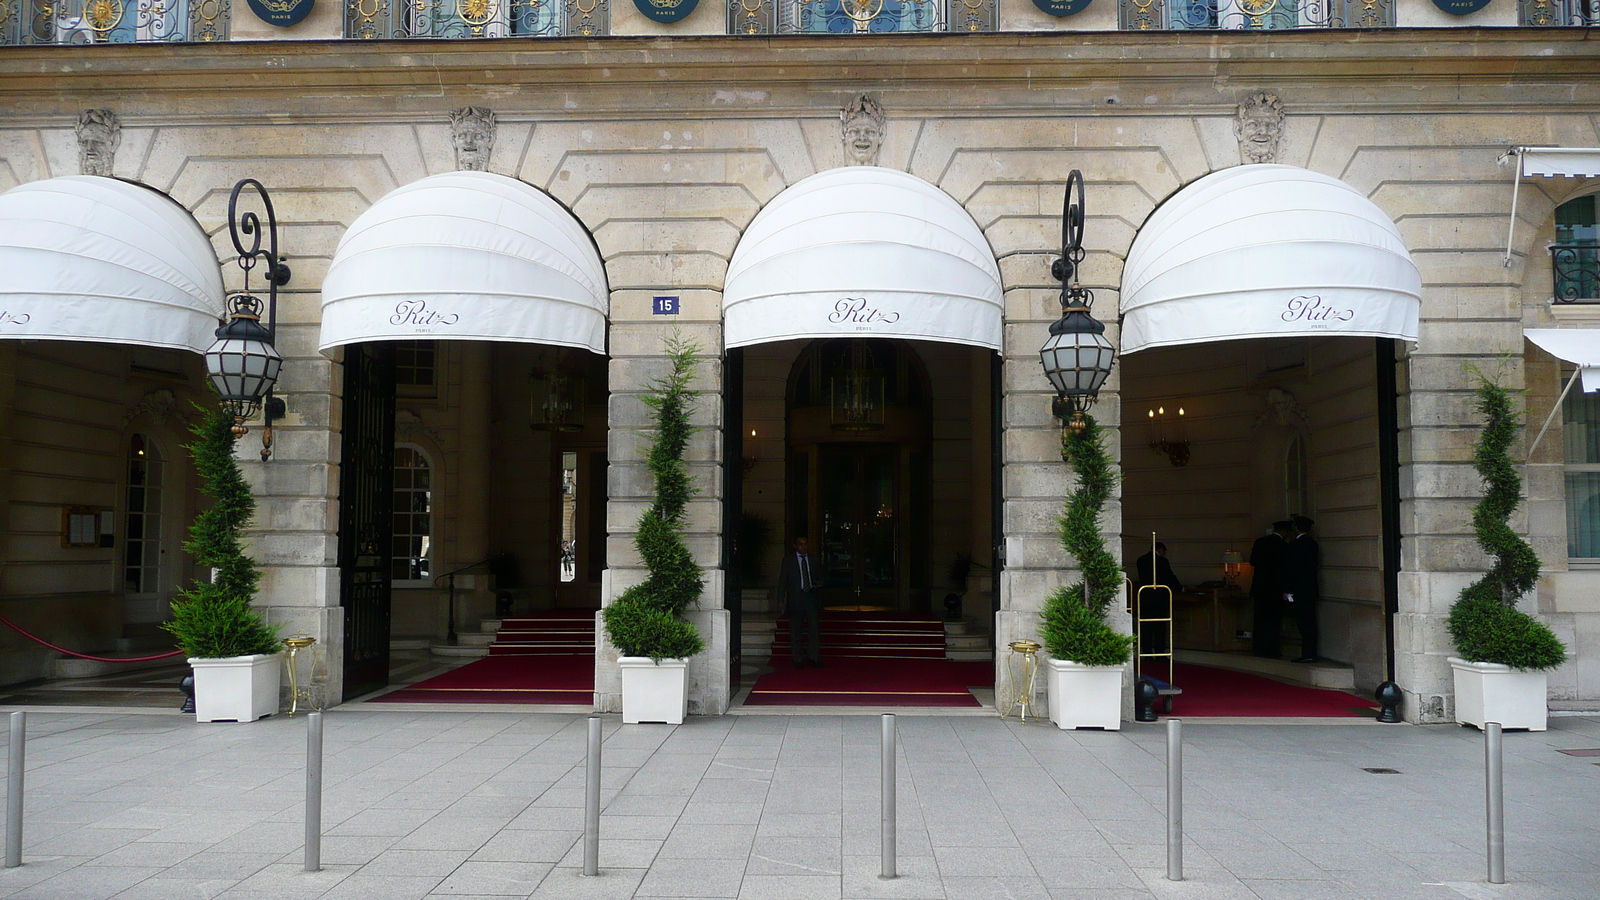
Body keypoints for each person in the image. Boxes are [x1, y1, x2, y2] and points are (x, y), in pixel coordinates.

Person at [1248, 521, 1295, 659]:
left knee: (1260, 620)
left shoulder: (1260, 542)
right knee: (1274, 622)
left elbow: (1253, 561)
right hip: (1275, 589)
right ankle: (1271, 650)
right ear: (1285, 532)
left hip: (1260, 588)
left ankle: (1258, 648)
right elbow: (1286, 569)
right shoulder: (1284, 546)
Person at [775, 536, 823, 669]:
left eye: (805, 544)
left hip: (810, 597)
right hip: (795, 598)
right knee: (796, 629)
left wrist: (819, 584)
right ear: (795, 546)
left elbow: (820, 576)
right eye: (800, 544)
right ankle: (798, 659)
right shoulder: (788, 561)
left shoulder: (814, 560)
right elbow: (782, 581)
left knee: (813, 628)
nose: (803, 547)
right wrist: (780, 600)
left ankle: (813, 658)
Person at [1133, 543, 1181, 657]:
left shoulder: (1141, 560)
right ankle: (1159, 652)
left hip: (1145, 597)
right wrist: (1179, 588)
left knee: (1146, 626)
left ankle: (1146, 652)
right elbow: (1170, 577)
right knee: (1160, 627)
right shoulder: (1162, 561)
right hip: (1159, 597)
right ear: (1160, 550)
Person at [1285, 515, 1320, 663]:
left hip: (1299, 589)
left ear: (1297, 528)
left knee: (1303, 623)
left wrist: (1287, 589)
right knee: (1310, 622)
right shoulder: (1313, 544)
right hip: (1311, 588)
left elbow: (1291, 569)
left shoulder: (1294, 545)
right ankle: (1310, 653)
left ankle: (1307, 654)